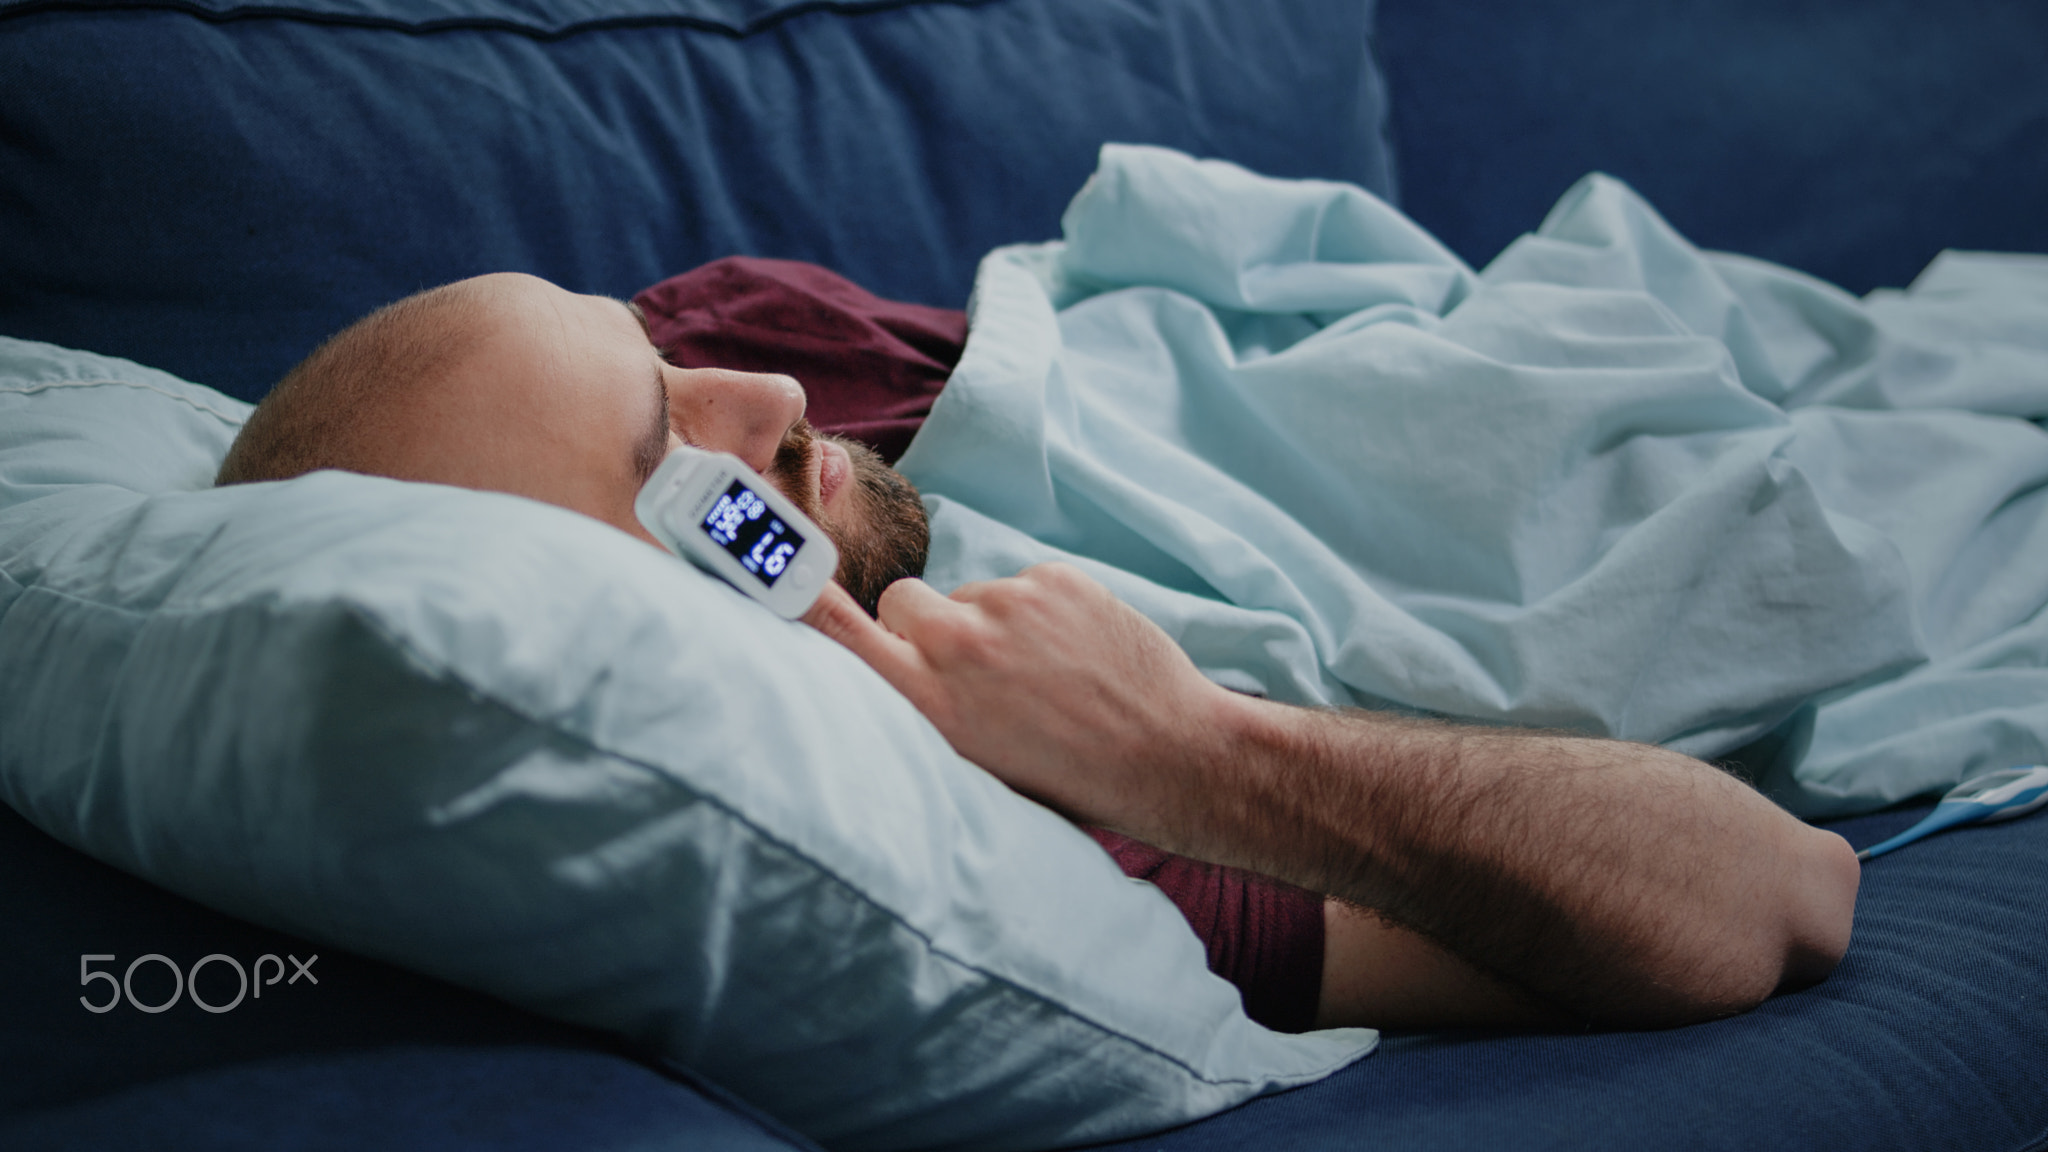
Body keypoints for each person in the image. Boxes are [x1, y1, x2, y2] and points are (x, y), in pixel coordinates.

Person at [217, 270, 1861, 1033]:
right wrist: (1196, 753)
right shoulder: (1016, 833)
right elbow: (1785, 896)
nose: (776, 399)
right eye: (674, 459)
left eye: (644, 346)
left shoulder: (737, 336)